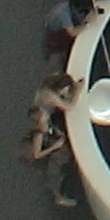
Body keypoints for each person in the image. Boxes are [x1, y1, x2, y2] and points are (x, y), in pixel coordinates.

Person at [24, 73, 81, 206]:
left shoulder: (45, 92)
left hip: (49, 132)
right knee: (54, 172)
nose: (65, 93)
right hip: (48, 148)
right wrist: (55, 146)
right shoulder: (40, 132)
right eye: (65, 90)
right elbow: (37, 154)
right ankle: (58, 196)